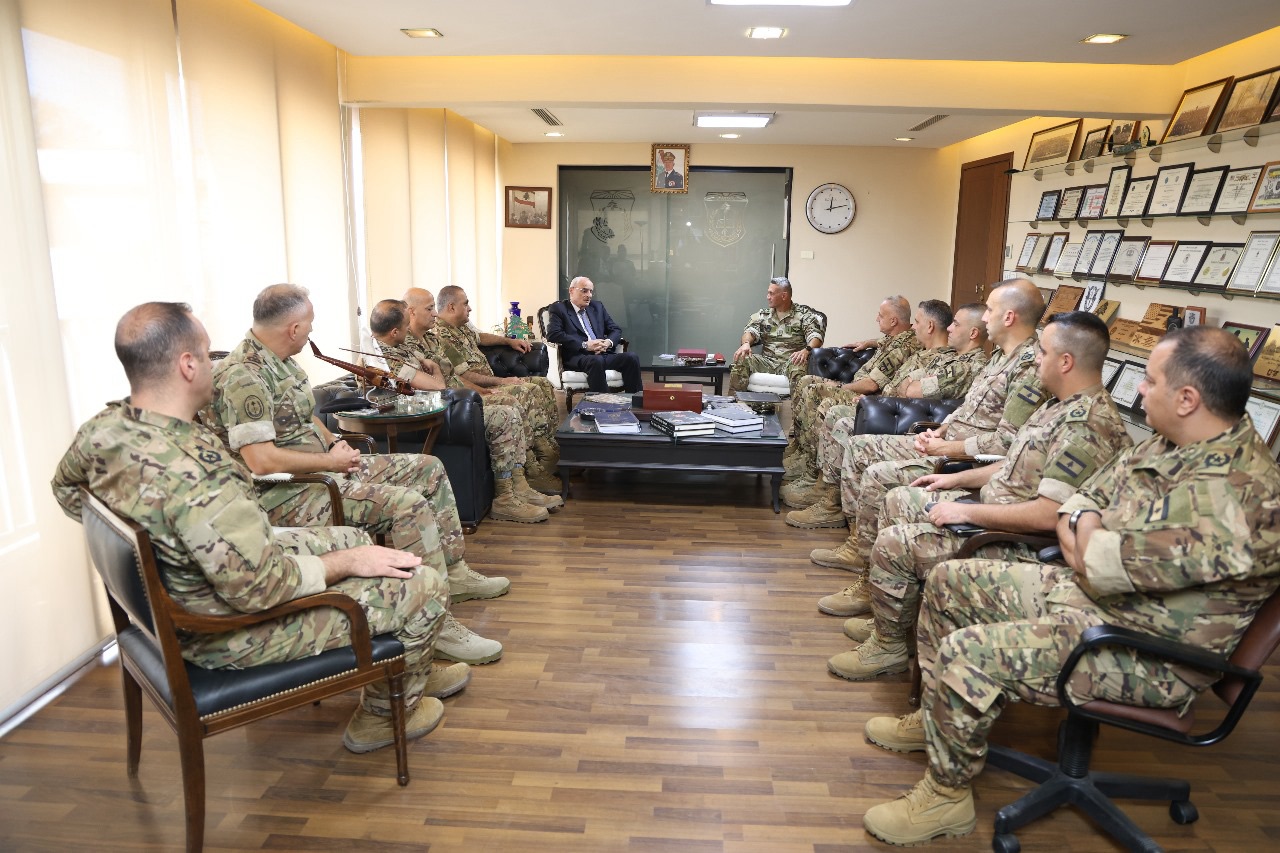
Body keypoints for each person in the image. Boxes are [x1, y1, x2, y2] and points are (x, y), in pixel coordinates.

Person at [860, 326, 1280, 846]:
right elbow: (1078, 505)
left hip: (1145, 651)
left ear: (1187, 399)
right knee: (949, 582)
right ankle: (933, 719)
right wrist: (1087, 530)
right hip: (1096, 600)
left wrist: (1086, 533)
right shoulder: (1170, 443)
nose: (1138, 389)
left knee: (969, 653)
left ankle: (946, 798)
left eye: (1150, 381)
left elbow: (1098, 559)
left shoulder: (1236, 497)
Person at [52, 302, 470, 754]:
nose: (216, 365)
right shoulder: (203, 473)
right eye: (206, 354)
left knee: (354, 535)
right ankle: (383, 718)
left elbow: (67, 492)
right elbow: (264, 587)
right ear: (188, 366)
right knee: (422, 584)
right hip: (226, 633)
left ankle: (404, 665)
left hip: (187, 601)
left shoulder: (102, 430)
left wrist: (166, 554)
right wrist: (349, 562)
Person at [203, 284, 505, 666]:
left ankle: (454, 573)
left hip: (324, 468)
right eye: (309, 323)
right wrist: (329, 463)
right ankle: (435, 619)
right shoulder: (243, 375)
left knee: (428, 469)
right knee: (408, 506)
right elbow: (260, 461)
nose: (312, 330)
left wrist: (334, 443)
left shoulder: (283, 361)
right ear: (293, 329)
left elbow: (302, 417)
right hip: (290, 492)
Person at [826, 311, 1132, 680]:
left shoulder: (1087, 425)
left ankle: (888, 646)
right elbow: (1011, 465)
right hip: (990, 509)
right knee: (899, 499)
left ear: (1065, 362)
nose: (1036, 359)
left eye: (1043, 352)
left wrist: (967, 513)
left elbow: (1047, 514)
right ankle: (892, 621)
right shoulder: (1057, 406)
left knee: (896, 542)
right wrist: (956, 480)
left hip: (1012, 538)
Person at [803, 279, 1047, 581]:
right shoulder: (1000, 357)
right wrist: (941, 430)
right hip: (946, 442)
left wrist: (946, 447)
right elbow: (967, 409)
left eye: (990, 310)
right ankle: (856, 543)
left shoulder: (1028, 367)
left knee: (877, 474)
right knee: (858, 446)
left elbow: (1005, 442)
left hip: (968, 460)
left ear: (1009, 317)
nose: (985, 318)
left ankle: (867, 571)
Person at [793, 303, 992, 524]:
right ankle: (825, 489)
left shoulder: (966, 365)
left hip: (912, 422)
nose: (950, 328)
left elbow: (912, 390)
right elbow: (904, 365)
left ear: (973, 333)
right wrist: (874, 346)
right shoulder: (947, 357)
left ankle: (833, 503)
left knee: (839, 418)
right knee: (835, 414)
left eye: (955, 324)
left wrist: (896, 391)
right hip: (894, 409)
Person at [369, 298, 556, 522]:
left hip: (449, 404)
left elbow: (451, 376)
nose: (410, 327)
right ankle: (505, 499)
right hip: (438, 412)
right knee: (505, 414)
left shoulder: (401, 346)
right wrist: (435, 369)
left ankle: (520, 486)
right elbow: (439, 386)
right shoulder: (384, 357)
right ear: (394, 331)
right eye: (406, 324)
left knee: (510, 409)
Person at [400, 287, 561, 495]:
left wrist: (508, 341)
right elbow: (453, 379)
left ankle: (548, 449)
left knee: (542, 384)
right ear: (411, 312)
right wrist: (485, 389)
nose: (435, 314)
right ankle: (533, 469)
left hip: (469, 391)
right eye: (429, 308)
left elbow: (457, 369)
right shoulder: (426, 339)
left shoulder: (435, 338)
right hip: (456, 400)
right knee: (518, 397)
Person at [782, 297, 924, 508]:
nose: (876, 318)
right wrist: (869, 342)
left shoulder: (902, 347)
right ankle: (801, 450)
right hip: (862, 390)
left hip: (868, 396)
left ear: (894, 321)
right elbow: (887, 341)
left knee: (815, 391)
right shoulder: (893, 338)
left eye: (881, 315)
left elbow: (871, 385)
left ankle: (812, 470)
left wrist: (839, 387)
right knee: (805, 381)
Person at [727, 276, 826, 395]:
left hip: (791, 362)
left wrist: (806, 350)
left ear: (784, 296)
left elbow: (816, 337)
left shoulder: (803, 315)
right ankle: (734, 401)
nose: (767, 297)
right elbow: (750, 331)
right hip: (766, 362)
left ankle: (799, 406)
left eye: (771, 293)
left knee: (799, 366)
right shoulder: (763, 315)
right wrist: (746, 344)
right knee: (742, 357)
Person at [545, 276, 643, 393]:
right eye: (584, 291)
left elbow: (615, 329)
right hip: (579, 356)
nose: (589, 295)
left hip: (602, 353)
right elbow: (554, 334)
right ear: (571, 290)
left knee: (631, 357)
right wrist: (585, 345)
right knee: (596, 362)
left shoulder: (597, 307)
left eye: (591, 291)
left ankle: (635, 400)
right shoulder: (559, 309)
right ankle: (604, 401)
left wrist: (607, 343)